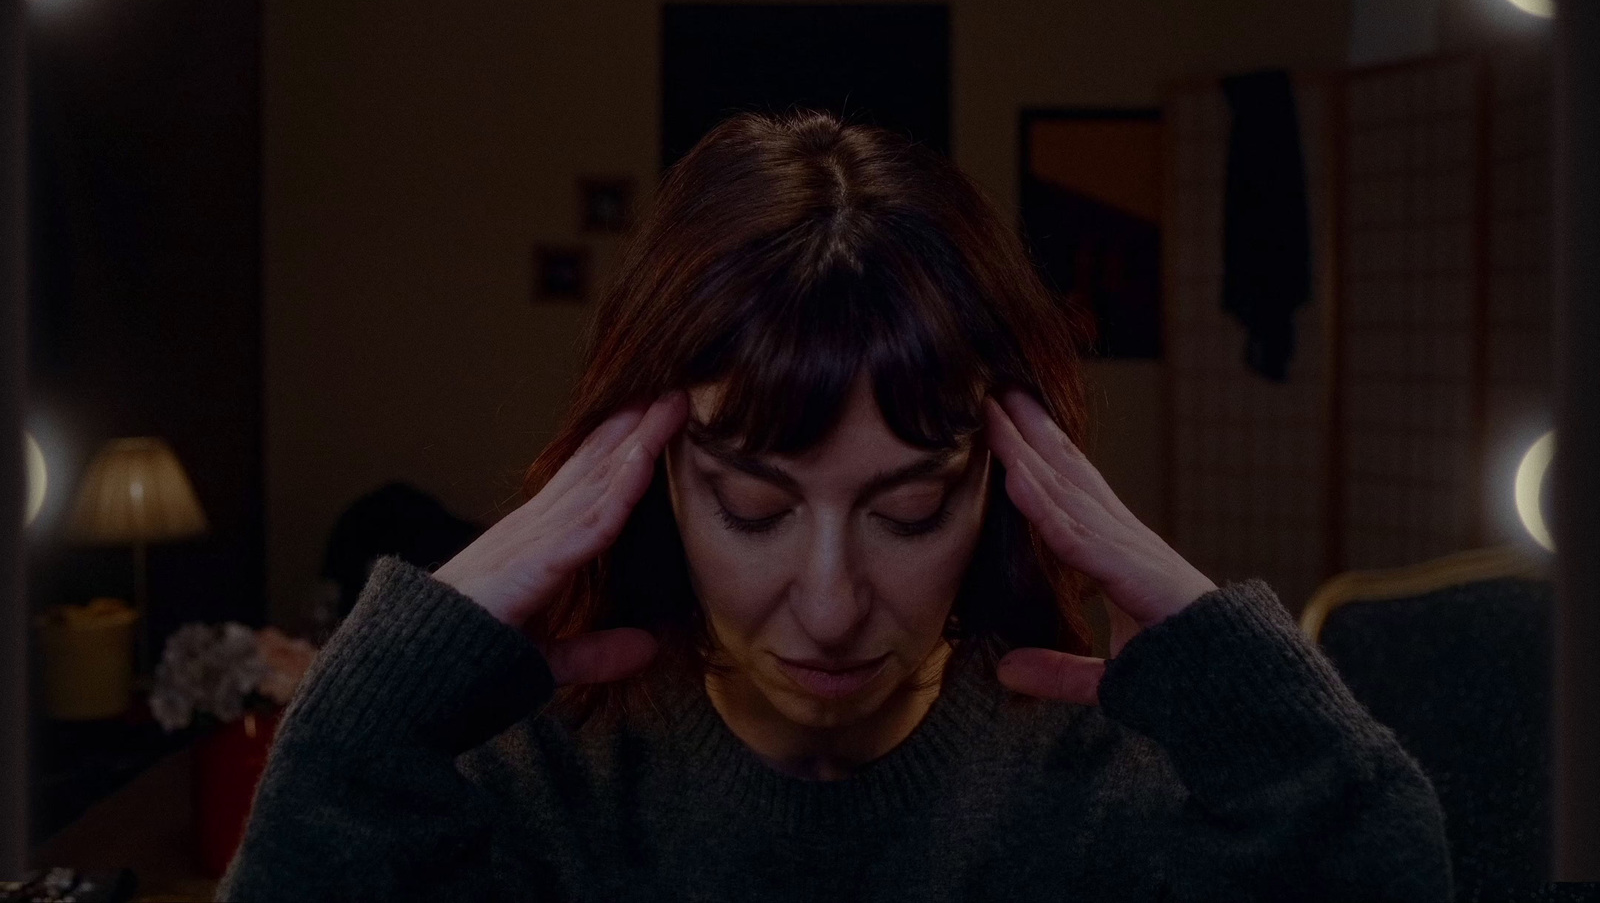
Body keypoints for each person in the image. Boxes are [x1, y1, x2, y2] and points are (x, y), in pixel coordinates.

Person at [220, 112, 1451, 902]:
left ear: (1004, 485)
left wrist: (1220, 648)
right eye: (753, 505)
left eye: (908, 509)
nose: (826, 605)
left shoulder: (1111, 795)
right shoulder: (534, 791)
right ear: (652, 479)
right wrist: (375, 706)